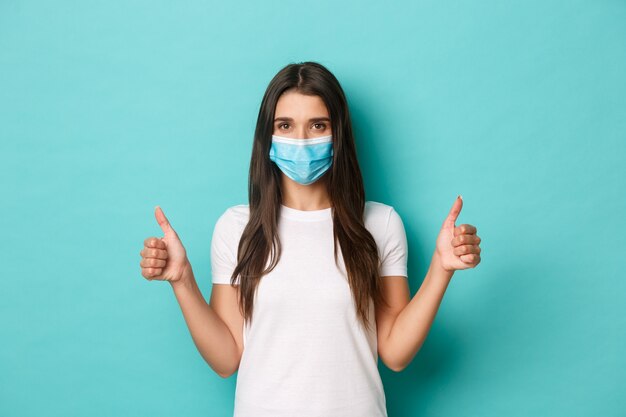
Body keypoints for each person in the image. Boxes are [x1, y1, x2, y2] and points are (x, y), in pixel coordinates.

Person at [139, 61, 482, 417]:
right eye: (285, 126)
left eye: (318, 125)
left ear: (338, 134)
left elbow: (395, 353)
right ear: (267, 137)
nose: (300, 140)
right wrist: (182, 281)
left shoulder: (380, 224)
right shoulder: (237, 227)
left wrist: (442, 269)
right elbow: (227, 358)